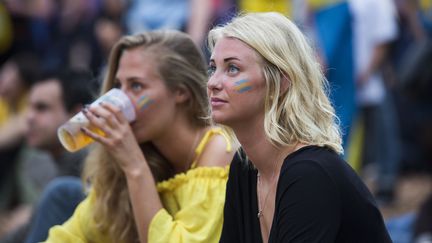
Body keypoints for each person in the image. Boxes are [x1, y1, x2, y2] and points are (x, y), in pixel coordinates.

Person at [207, 12, 391, 243]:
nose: (213, 82)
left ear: (281, 82)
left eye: (233, 68)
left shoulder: (310, 175)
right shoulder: (245, 167)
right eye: (213, 68)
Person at [44, 30, 235, 243]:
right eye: (118, 86)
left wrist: (135, 166)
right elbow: (70, 236)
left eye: (136, 86)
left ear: (181, 92)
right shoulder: (145, 152)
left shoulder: (218, 150)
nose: (120, 99)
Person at [0, 69, 95, 243]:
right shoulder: (65, 163)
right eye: (29, 107)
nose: (29, 117)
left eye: (41, 108)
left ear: (76, 115)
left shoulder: (86, 168)